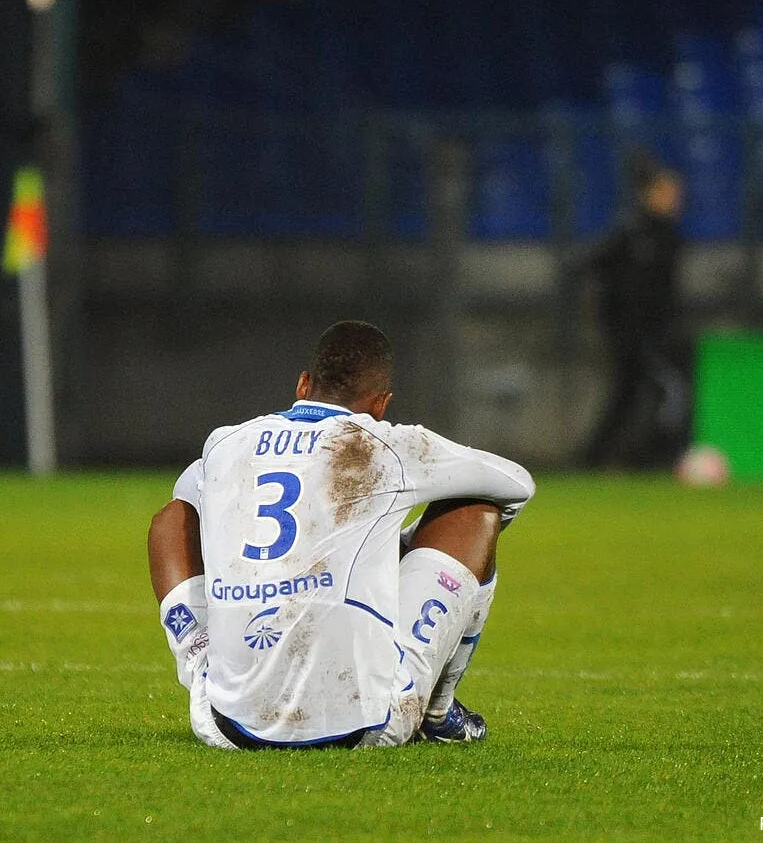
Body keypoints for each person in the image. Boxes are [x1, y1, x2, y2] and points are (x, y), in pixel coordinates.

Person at [148, 320, 534, 749]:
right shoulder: (388, 446)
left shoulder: (226, 441)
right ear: (381, 403)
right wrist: (399, 551)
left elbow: (187, 499)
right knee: (475, 513)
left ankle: (200, 658)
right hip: (366, 726)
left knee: (173, 519)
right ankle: (438, 713)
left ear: (303, 384)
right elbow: (517, 485)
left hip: (223, 725)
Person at [579, 155, 689, 469]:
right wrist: (611, 314)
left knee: (635, 396)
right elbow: (592, 266)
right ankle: (631, 457)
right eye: (667, 191)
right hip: (631, 335)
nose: (674, 199)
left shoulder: (668, 237)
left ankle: (606, 457)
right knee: (656, 393)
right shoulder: (631, 234)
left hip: (655, 333)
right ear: (649, 193)